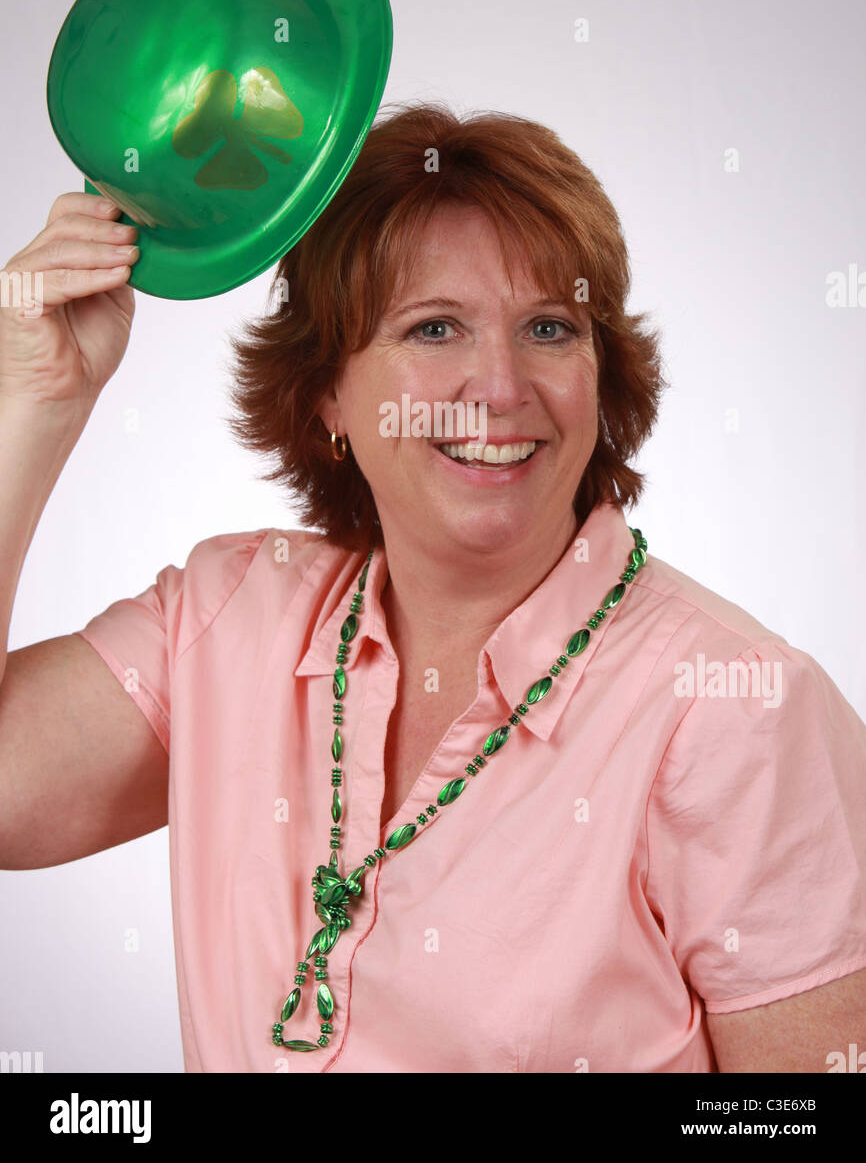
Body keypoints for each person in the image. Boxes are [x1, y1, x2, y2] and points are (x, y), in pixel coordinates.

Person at [2, 101, 865, 1074]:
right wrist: (30, 398)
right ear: (326, 389)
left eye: (548, 326)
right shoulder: (226, 614)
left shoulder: (736, 706)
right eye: (434, 327)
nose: (498, 386)